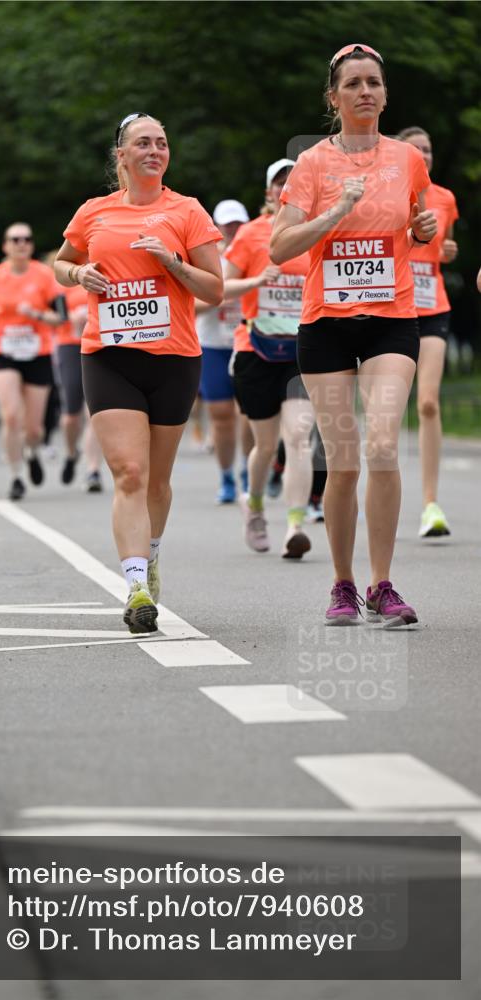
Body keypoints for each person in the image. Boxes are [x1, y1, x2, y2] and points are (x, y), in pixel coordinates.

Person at [271, 43, 437, 625]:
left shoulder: (406, 160)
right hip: (326, 326)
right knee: (342, 463)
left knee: (384, 445)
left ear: (385, 94)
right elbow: (281, 245)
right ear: (333, 97)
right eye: (353, 84)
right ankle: (342, 585)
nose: (364, 91)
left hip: (392, 318)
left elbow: (415, 230)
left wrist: (423, 229)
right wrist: (334, 212)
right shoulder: (313, 164)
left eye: (373, 82)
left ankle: (383, 583)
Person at [55, 112, 223, 633]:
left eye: (162, 143)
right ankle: (135, 586)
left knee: (157, 480)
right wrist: (79, 272)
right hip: (108, 353)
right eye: (143, 144)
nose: (155, 150)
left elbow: (214, 289)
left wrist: (171, 261)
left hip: (174, 357)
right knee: (129, 472)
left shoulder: (187, 211)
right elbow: (61, 264)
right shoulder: (94, 212)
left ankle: (149, 553)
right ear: (121, 156)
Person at [224, 159, 315, 559]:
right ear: (268, 193)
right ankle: (255, 505)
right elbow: (220, 287)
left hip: (302, 349)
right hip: (255, 348)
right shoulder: (250, 235)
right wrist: (258, 281)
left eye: (294, 183)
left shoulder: (316, 235)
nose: (286, 189)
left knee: (298, 437)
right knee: (264, 445)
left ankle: (295, 524)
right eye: (280, 183)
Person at [397, 126, 459, 538]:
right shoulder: (390, 194)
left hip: (433, 305)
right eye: (417, 149)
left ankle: (430, 504)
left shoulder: (446, 199)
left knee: (429, 403)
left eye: (429, 148)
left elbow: (444, 251)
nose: (426, 154)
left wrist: (450, 253)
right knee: (389, 409)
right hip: (397, 307)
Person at [0, 223, 64, 500]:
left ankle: (32, 450)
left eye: (27, 238)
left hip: (38, 353)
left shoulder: (45, 276)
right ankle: (15, 475)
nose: (21, 243)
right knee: (11, 416)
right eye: (15, 239)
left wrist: (36, 315)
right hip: (3, 351)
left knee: (34, 427)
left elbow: (60, 317)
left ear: (31, 245)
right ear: (6, 246)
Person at [195, 199, 252, 504]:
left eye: (237, 224)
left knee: (249, 412)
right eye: (226, 224)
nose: (232, 230)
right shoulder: (204, 259)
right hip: (213, 345)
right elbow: (189, 306)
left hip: (247, 341)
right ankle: (227, 474)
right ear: (215, 228)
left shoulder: (256, 252)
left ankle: (247, 471)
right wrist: (220, 297)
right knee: (221, 415)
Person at [44, 251, 104, 489]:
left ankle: (93, 471)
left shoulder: (103, 271)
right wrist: (70, 317)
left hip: (100, 346)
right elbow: (53, 315)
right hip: (70, 347)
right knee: (71, 414)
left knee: (95, 413)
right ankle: (71, 453)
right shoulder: (62, 281)